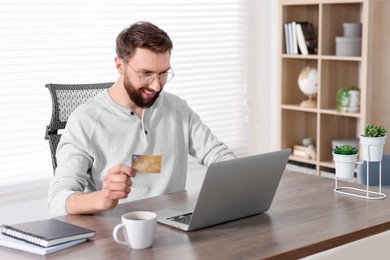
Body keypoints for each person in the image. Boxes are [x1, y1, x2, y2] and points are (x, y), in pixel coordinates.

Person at [48, 21, 236, 216]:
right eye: (146, 74)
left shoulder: (177, 109)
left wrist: (242, 178)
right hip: (118, 231)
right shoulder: (85, 121)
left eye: (163, 73)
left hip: (173, 225)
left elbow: (218, 155)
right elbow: (57, 200)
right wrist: (102, 198)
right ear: (120, 65)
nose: (156, 86)